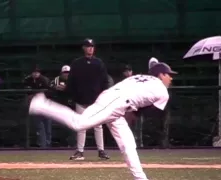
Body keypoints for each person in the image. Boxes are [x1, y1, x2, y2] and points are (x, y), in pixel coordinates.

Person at [29, 59, 177, 180]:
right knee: (79, 123)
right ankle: (42, 104)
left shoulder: (140, 77)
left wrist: (132, 113)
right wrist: (134, 114)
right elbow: (152, 112)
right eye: (168, 74)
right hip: (116, 102)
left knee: (128, 145)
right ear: (160, 75)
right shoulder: (162, 90)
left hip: (116, 102)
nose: (170, 77)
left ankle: (140, 178)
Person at [66, 38, 110, 160]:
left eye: (92, 46)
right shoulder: (76, 63)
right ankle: (80, 151)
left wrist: (104, 96)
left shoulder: (99, 63)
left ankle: (101, 151)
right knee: (81, 126)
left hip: (96, 100)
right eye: (88, 46)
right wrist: (72, 96)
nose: (90, 48)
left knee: (98, 126)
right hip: (81, 99)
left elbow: (104, 81)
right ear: (83, 48)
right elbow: (71, 82)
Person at [23, 65, 51, 147]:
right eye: (34, 72)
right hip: (35, 106)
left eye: (37, 72)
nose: (35, 74)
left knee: (47, 127)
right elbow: (26, 91)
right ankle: (42, 145)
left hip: (46, 106)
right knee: (39, 127)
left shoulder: (44, 80)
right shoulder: (27, 80)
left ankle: (48, 145)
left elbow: (49, 92)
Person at [49, 65, 75, 147]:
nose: (66, 74)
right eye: (65, 72)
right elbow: (51, 85)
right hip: (61, 105)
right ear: (61, 73)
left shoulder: (73, 79)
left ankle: (72, 143)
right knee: (62, 125)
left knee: (72, 125)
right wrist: (56, 87)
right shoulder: (57, 79)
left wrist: (67, 88)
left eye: (68, 72)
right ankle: (63, 143)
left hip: (72, 105)